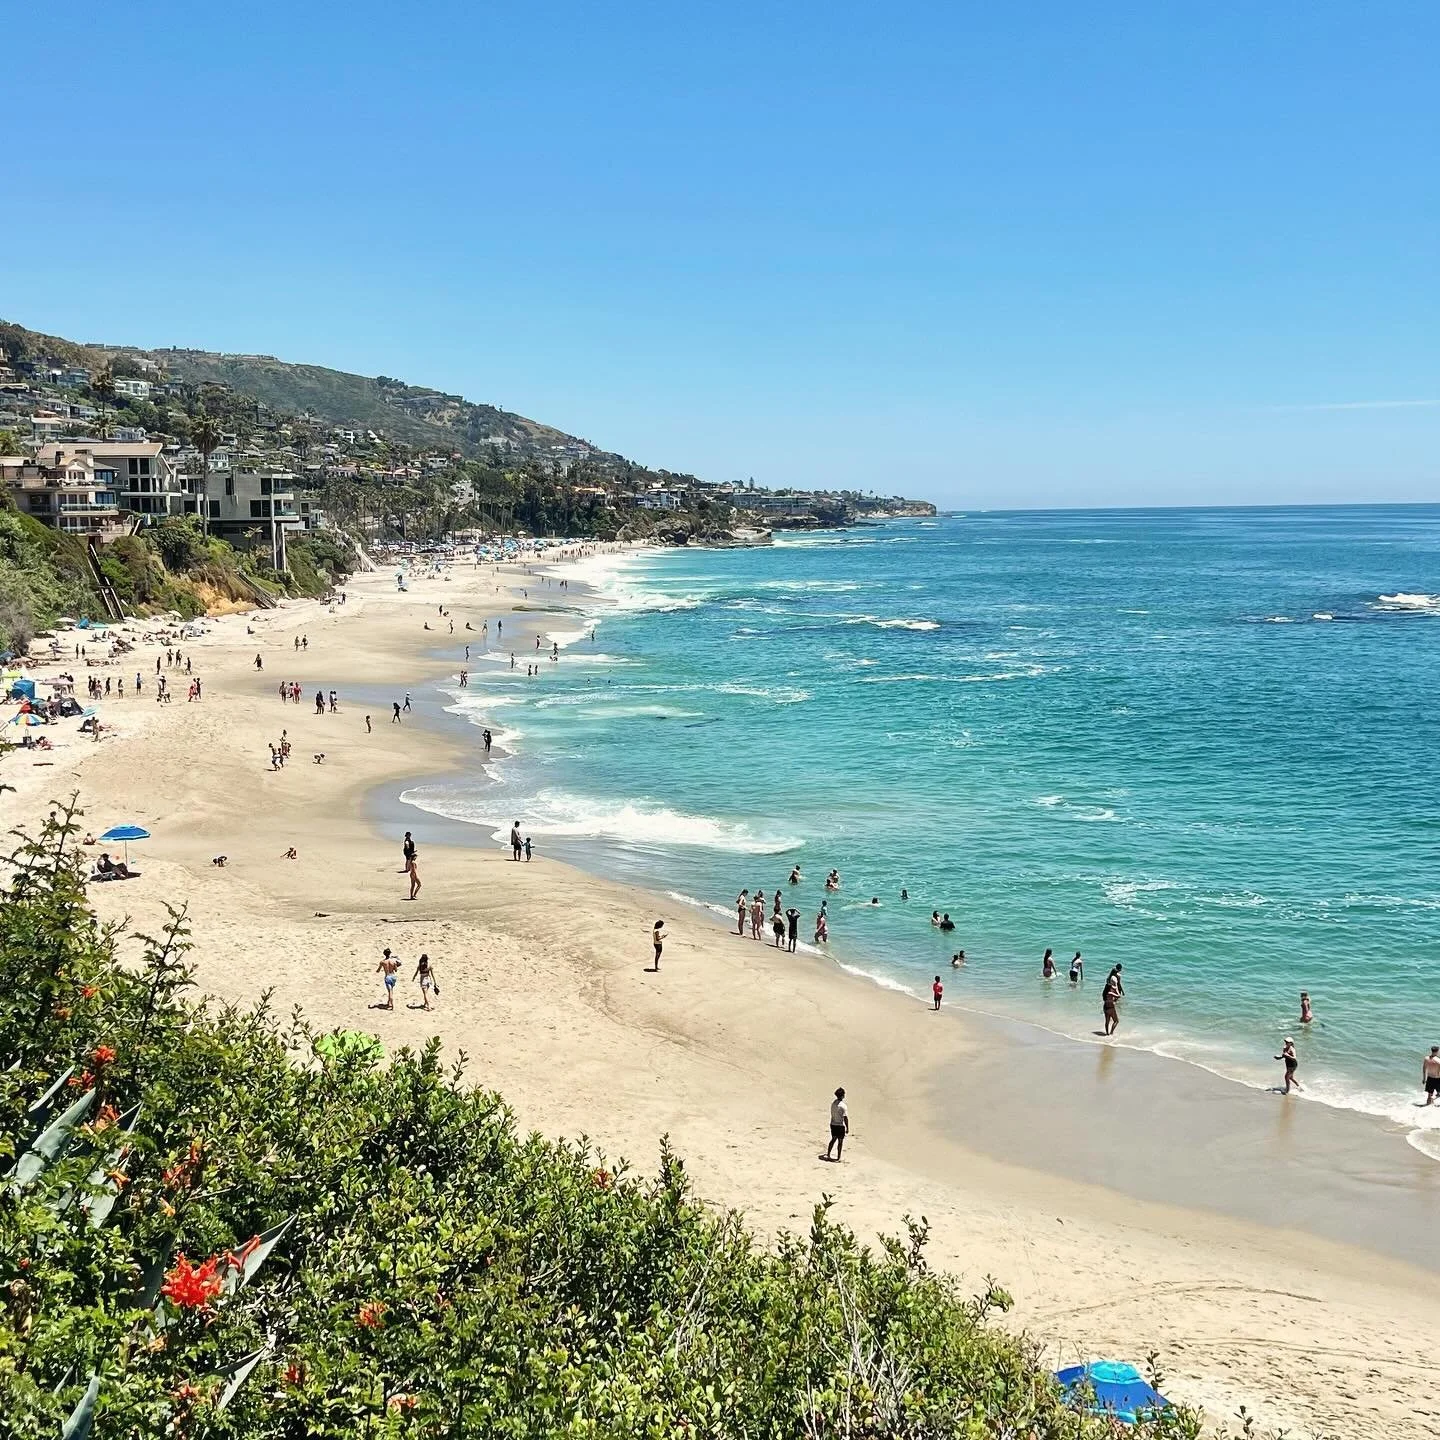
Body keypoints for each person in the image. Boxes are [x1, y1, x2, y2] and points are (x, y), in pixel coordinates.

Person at [825, 1087, 849, 1162]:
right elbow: (845, 1118)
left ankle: (828, 1154)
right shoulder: (843, 1106)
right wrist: (847, 1128)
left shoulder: (833, 1103)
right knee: (840, 1142)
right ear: (842, 1096)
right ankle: (838, 1157)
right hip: (840, 1125)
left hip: (833, 1124)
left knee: (833, 1139)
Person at [1102, 964, 1124, 1035]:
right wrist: (1117, 991)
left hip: (1105, 1006)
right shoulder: (1111, 993)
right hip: (1110, 1007)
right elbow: (1118, 995)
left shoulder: (1105, 992)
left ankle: (1107, 1033)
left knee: (1107, 1021)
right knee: (1116, 1021)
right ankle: (1111, 1033)